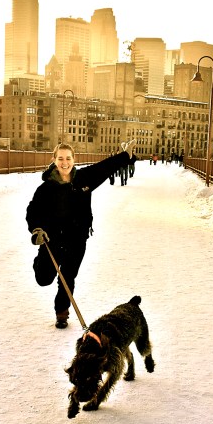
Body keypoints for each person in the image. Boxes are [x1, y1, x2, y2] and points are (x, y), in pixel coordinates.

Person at [26, 140, 137, 328]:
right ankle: (40, 265)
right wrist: (37, 229)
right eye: (60, 158)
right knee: (44, 279)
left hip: (76, 239)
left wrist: (125, 155)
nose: (64, 162)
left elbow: (104, 167)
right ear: (54, 160)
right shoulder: (45, 189)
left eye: (68, 158)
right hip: (51, 240)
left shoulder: (84, 178)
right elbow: (32, 211)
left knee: (68, 276)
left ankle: (61, 312)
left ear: (73, 160)